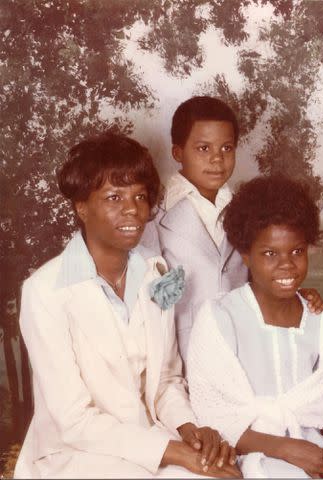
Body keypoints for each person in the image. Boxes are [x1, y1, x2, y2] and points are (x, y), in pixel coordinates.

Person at [14, 131, 241, 479]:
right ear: (81, 206)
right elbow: (73, 420)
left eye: (139, 196)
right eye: (113, 197)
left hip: (149, 440)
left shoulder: (156, 273)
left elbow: (165, 379)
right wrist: (174, 453)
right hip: (77, 454)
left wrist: (190, 429)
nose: (132, 209)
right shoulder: (44, 291)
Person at [187, 175, 323, 478]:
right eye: (270, 254)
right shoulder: (220, 318)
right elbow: (214, 414)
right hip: (250, 452)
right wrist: (287, 449)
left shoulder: (320, 323)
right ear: (246, 255)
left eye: (297, 251)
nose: (287, 265)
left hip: (313, 446)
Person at [141, 96, 323, 363]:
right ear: (178, 153)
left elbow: (267, 275)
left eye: (227, 148)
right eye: (203, 148)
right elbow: (151, 306)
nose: (217, 159)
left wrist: (299, 297)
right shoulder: (154, 220)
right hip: (186, 357)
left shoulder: (251, 211)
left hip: (247, 349)